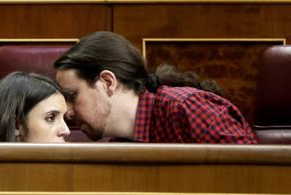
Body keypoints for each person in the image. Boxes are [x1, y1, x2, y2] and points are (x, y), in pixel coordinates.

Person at [54, 31, 257, 144]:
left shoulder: (187, 108)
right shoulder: (119, 146)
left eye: (72, 95)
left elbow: (256, 181)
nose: (67, 113)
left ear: (108, 82)